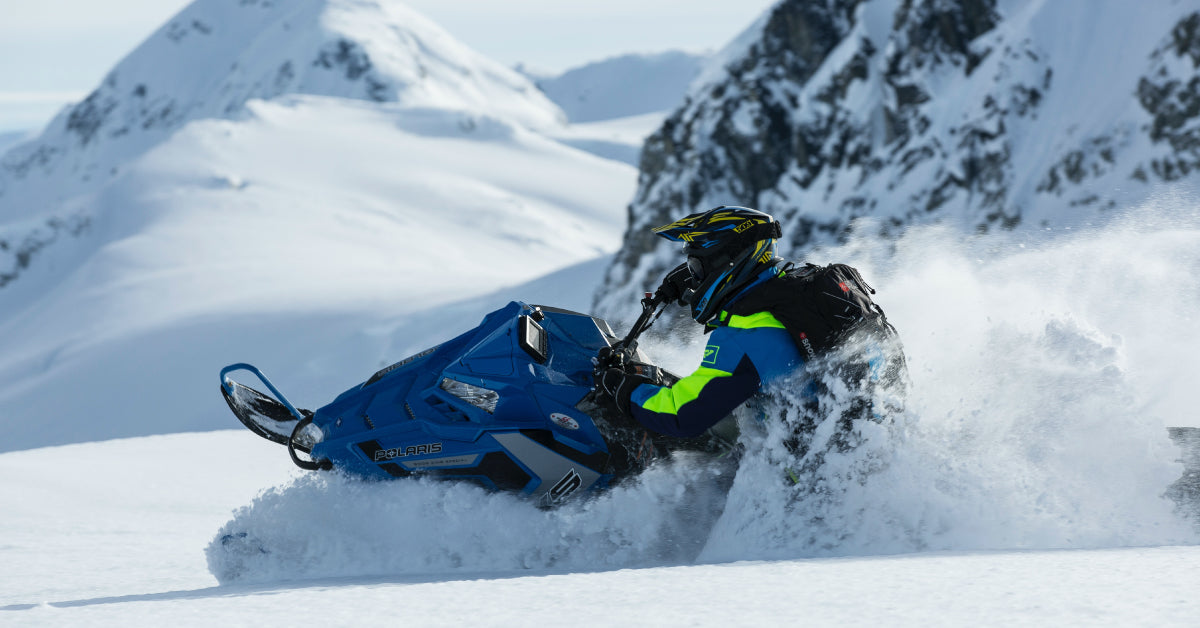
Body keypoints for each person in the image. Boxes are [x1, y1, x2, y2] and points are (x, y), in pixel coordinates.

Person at [596, 205, 903, 441]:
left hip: (805, 480)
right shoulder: (795, 292)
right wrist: (688, 276)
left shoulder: (747, 332)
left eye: (696, 267)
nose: (693, 279)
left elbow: (682, 415)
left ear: (726, 263)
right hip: (857, 441)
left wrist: (625, 388)